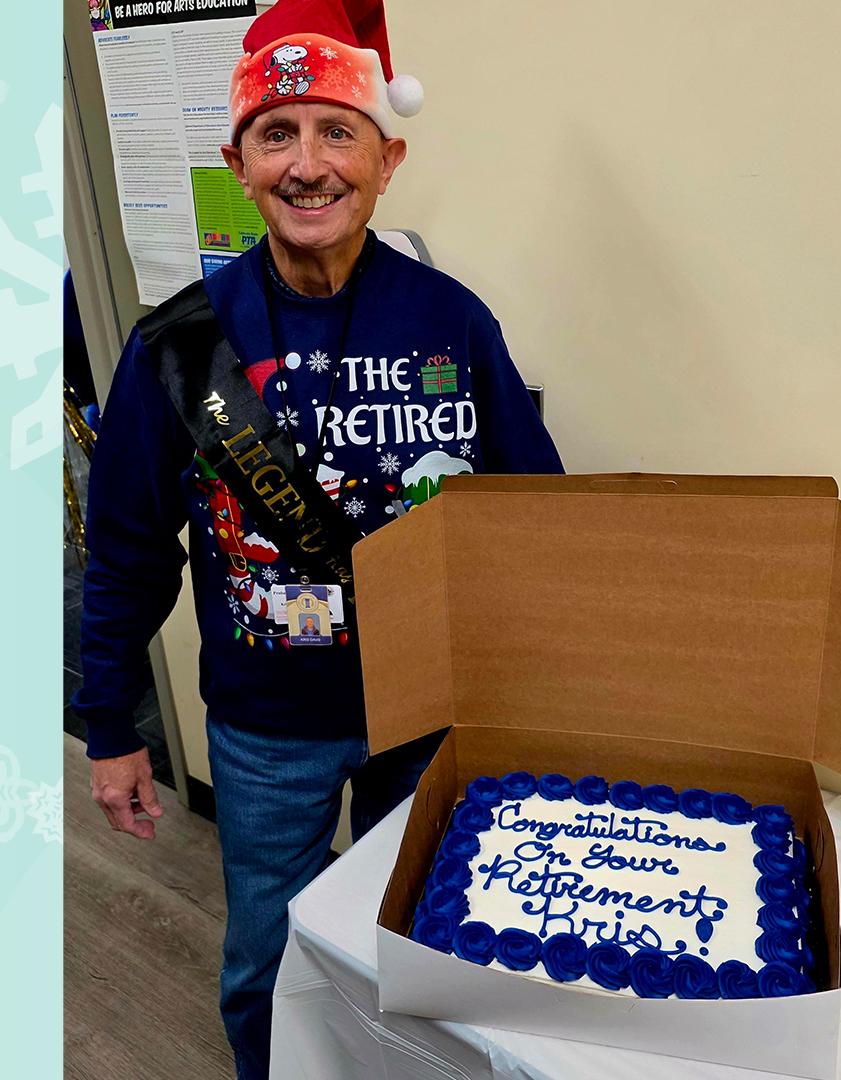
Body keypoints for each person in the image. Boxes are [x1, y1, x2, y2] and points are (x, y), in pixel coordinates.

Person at [70, 0, 563, 1076]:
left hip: (427, 715)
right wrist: (109, 724)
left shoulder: (451, 321)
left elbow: (532, 518)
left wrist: (535, 707)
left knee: (416, 952)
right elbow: (128, 551)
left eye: (336, 131)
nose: (308, 164)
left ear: (387, 159)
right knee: (266, 958)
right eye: (276, 133)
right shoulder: (178, 343)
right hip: (263, 730)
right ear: (237, 162)